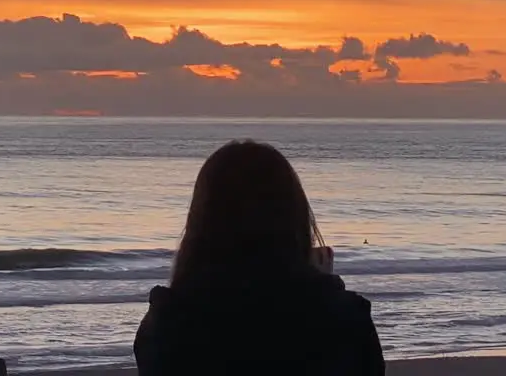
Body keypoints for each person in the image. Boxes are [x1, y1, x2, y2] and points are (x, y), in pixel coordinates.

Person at [134, 140, 385, 376]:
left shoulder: (165, 324)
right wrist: (326, 290)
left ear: (201, 225)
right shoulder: (345, 319)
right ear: (294, 219)